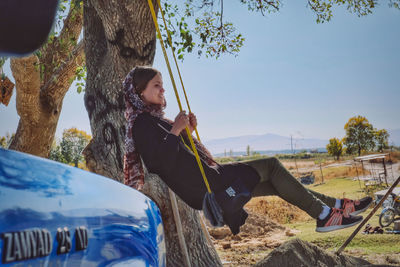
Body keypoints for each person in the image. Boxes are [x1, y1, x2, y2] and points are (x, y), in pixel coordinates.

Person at [123, 66, 373, 233]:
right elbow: (157, 164)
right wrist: (177, 131)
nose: (163, 89)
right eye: (157, 85)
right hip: (207, 186)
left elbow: (180, 153)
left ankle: (338, 207)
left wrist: (185, 131)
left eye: (162, 85)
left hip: (208, 181)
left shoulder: (155, 120)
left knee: (277, 182)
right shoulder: (142, 123)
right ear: (139, 92)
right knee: (271, 166)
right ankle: (325, 215)